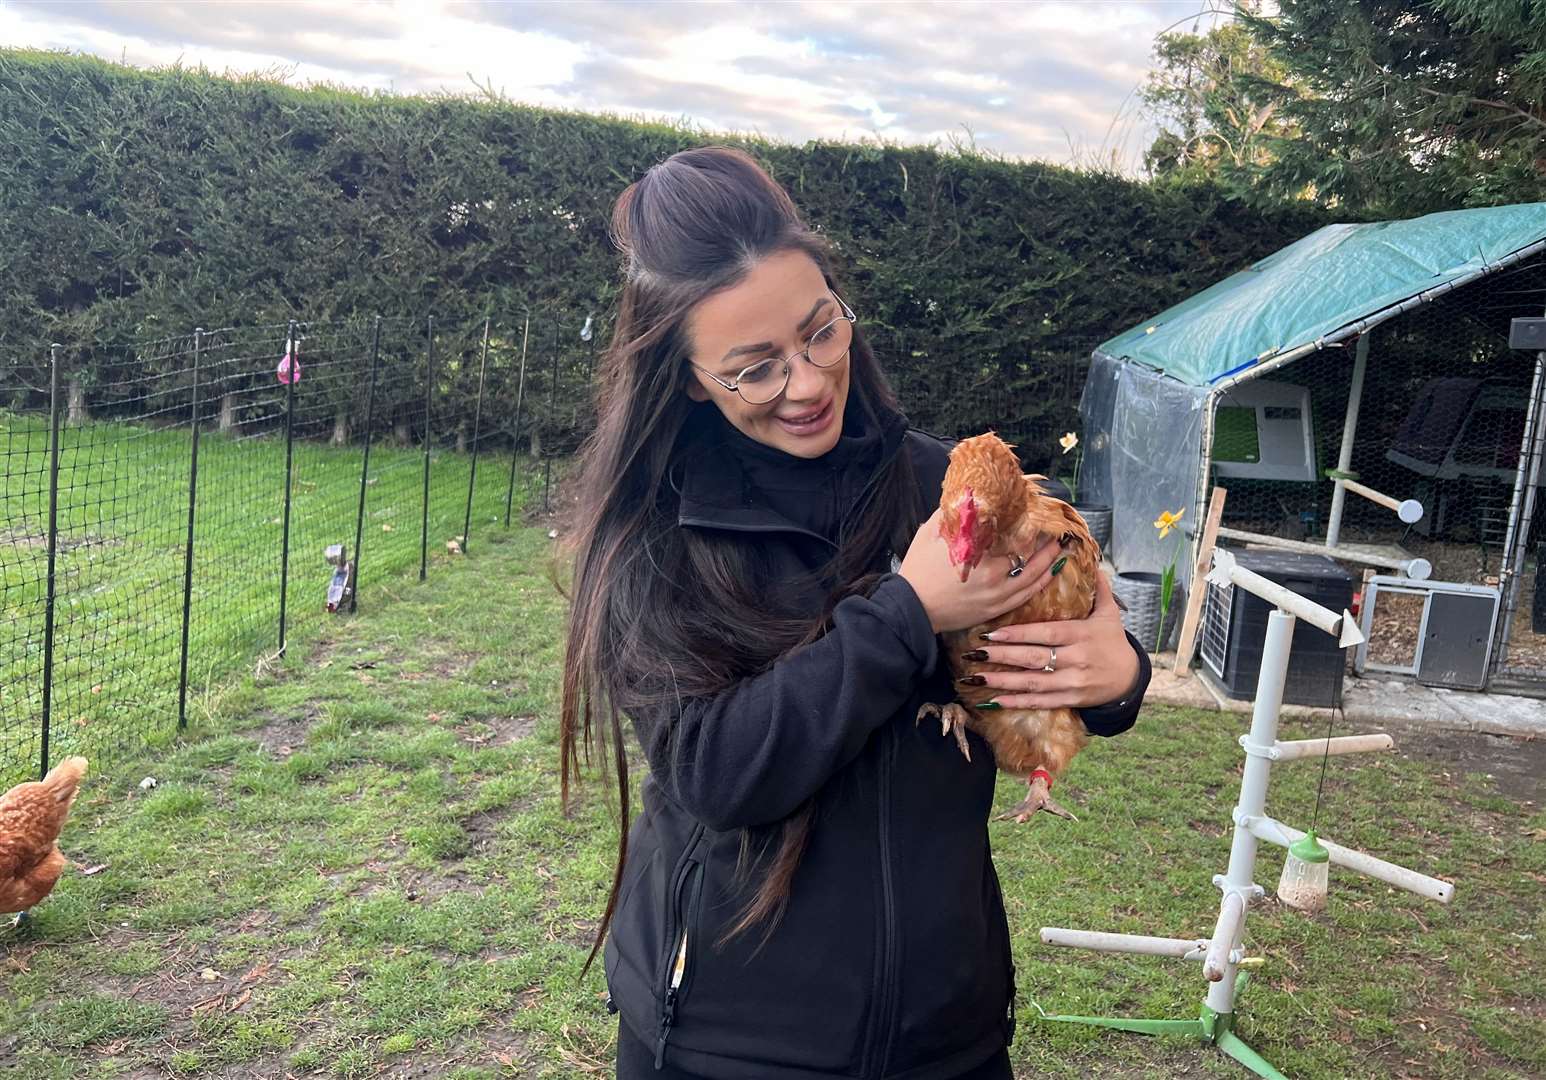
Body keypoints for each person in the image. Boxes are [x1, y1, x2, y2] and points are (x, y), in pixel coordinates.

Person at [560, 146, 1149, 1080]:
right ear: (684, 378)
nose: (807, 383)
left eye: (820, 331)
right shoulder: (656, 533)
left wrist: (1118, 676)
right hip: (733, 1044)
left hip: (943, 1035)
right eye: (753, 370)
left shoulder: (940, 483)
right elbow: (717, 770)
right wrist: (907, 610)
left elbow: (1059, 641)